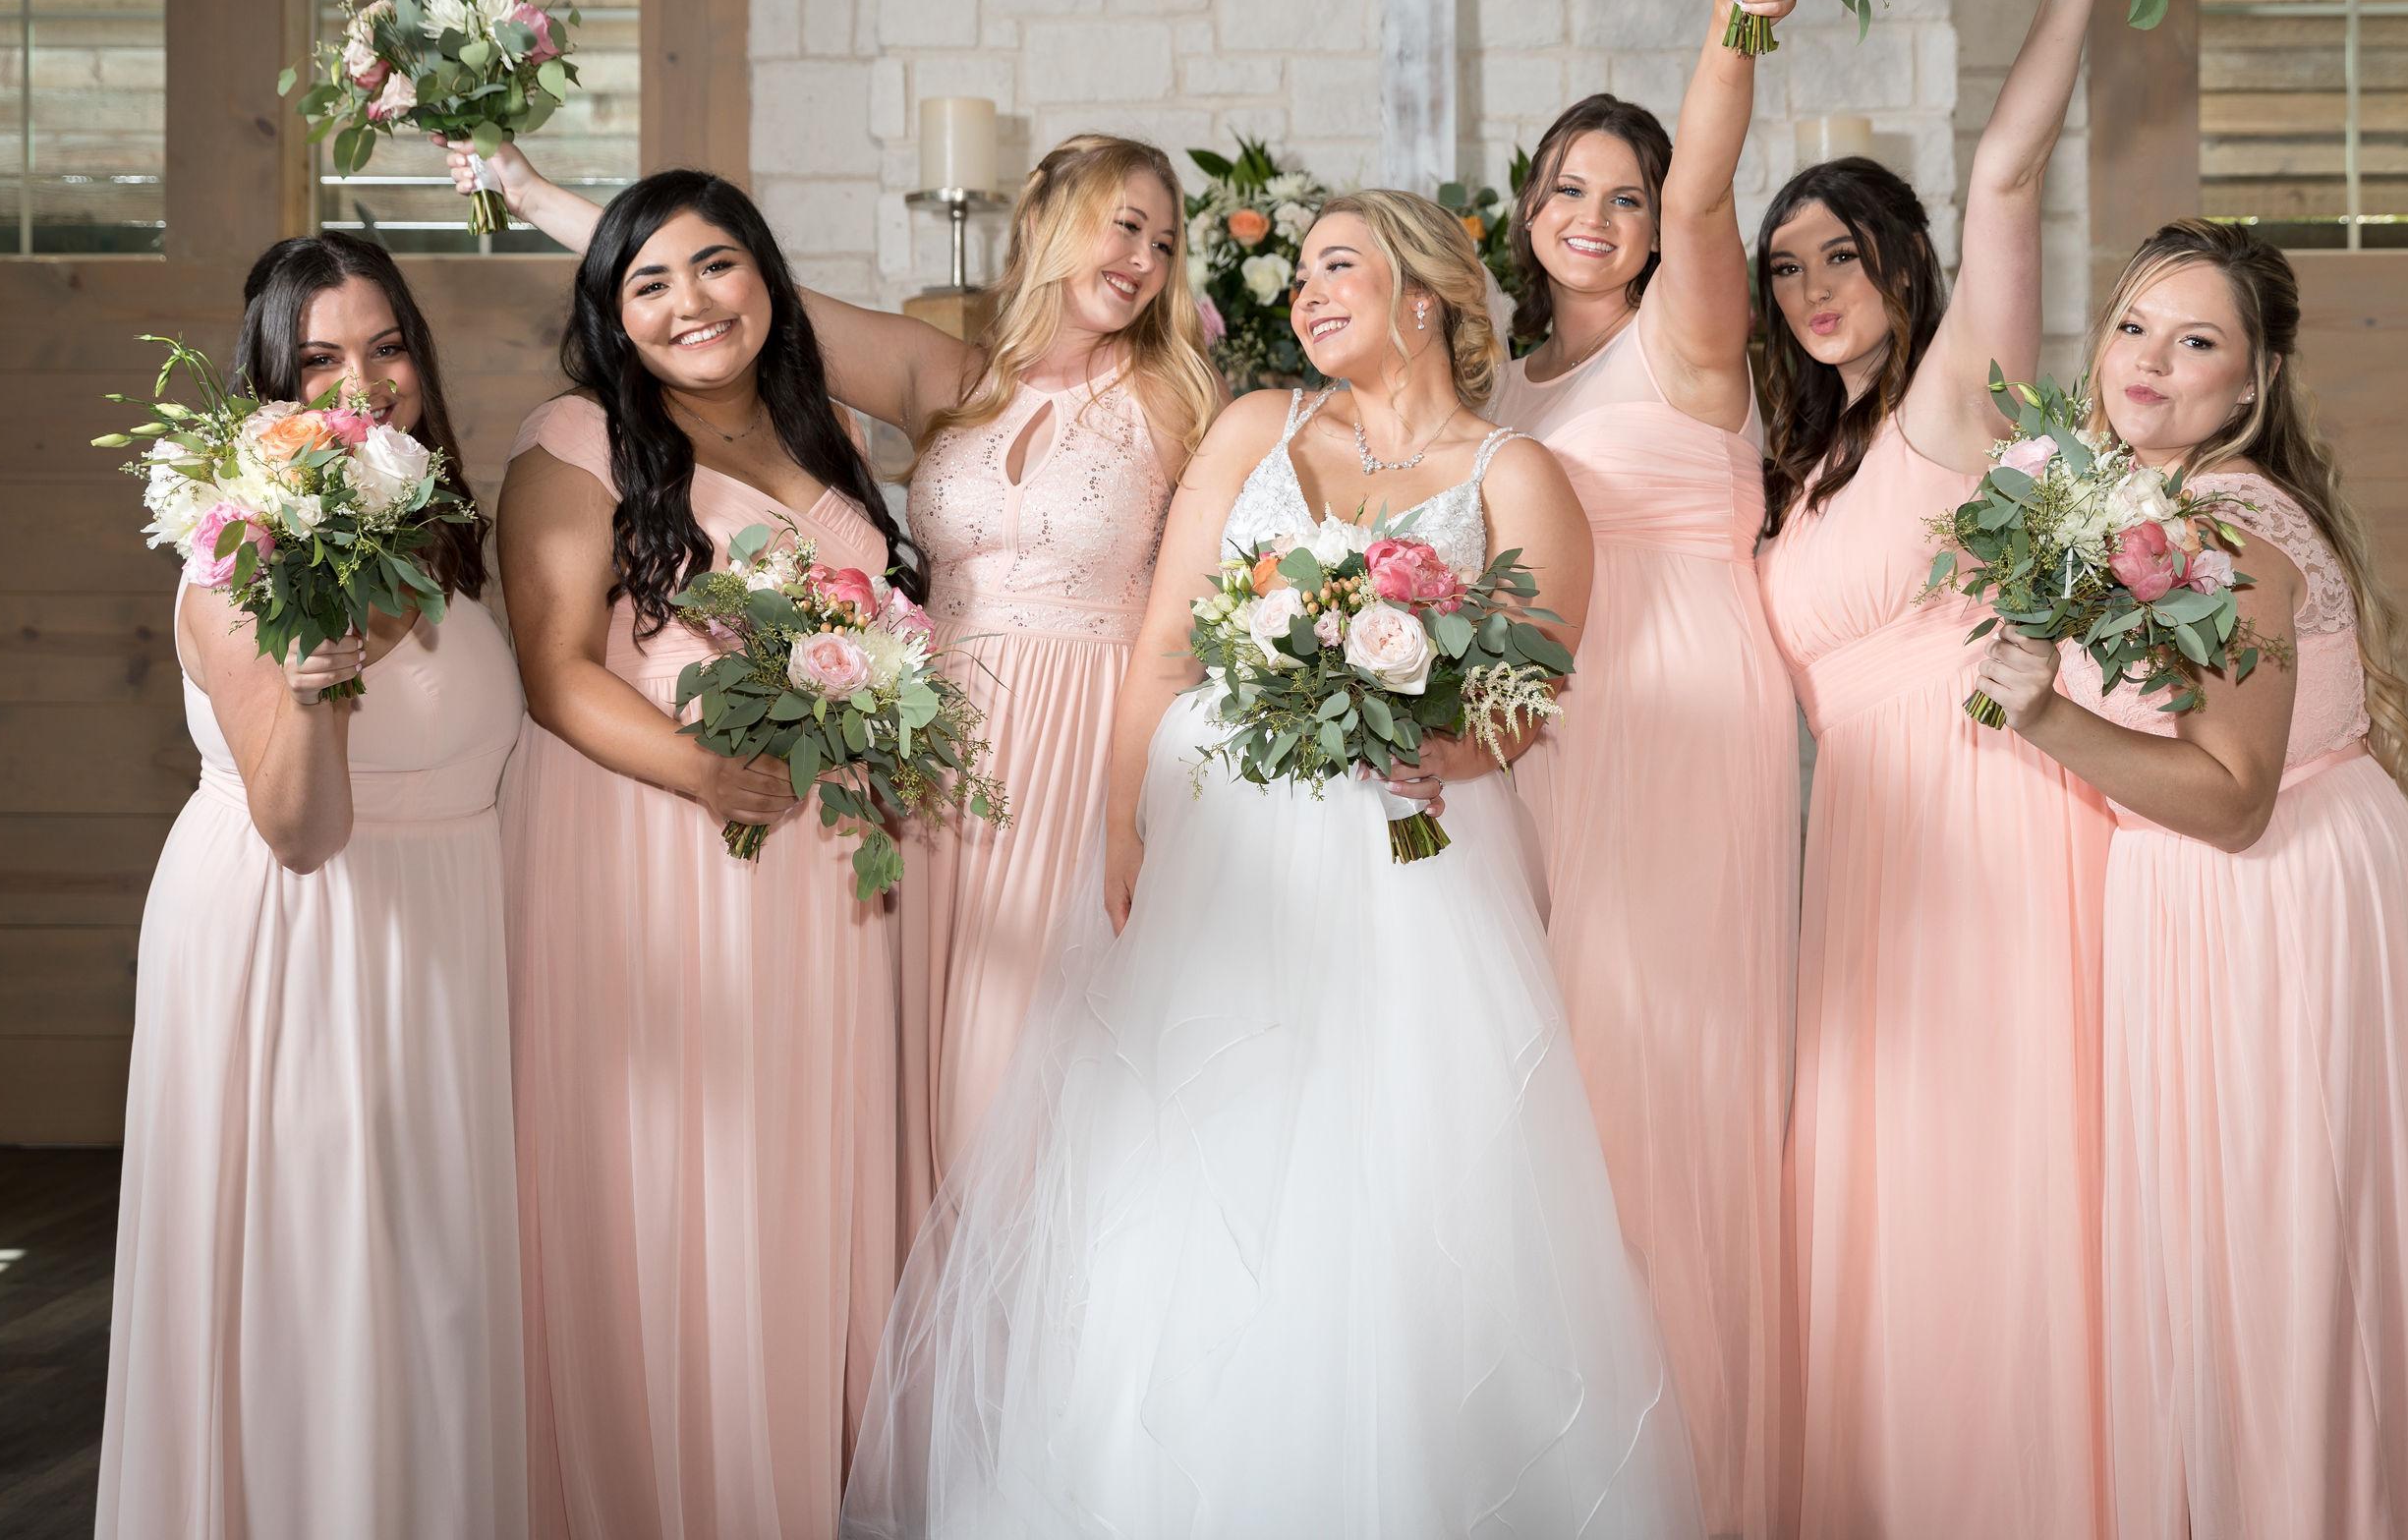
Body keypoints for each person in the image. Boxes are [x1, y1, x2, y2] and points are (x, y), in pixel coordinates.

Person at [841, 192, 1700, 1538]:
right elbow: (1167, 641)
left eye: (1338, 265)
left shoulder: (1516, 475)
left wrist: (1431, 740)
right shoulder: (1255, 428)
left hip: (1404, 869)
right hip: (1219, 857)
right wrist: (1122, 824)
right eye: (1298, 271)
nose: (1306, 290)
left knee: (1393, 1171)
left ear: (1425, 294)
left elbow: (1525, 699)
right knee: (1187, 1149)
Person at [455, 137, 1212, 1197]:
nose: (1143, 257)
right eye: (1124, 225)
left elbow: (1198, 613)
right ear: (1044, 222)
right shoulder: (952, 375)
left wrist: (1137, 806)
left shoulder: (1180, 399)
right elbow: (726, 291)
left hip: (1075, 753)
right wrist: (530, 192)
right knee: (918, 1066)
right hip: (925, 763)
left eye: (1166, 243)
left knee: (1024, 1070)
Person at [1973, 219, 2408, 1540]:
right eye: (2133, 326)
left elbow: (2231, 795)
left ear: (2253, 380)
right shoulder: (2142, 502)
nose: (2149, 362)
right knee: (2231, 1273)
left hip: (2274, 901)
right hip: (2209, 897)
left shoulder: (2228, 525)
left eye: (2195, 340)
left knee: (2279, 1278)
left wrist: (2043, 715)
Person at [1754, 0, 2156, 1538]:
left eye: (1841, 254)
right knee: (1889, 1167)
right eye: (1785, 268)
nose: (1813, 287)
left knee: (1998, 1150)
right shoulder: (1795, 472)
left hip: (1989, 808)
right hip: (1863, 844)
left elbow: (2005, 172)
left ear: (1903, 263)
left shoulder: (1954, 393)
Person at [499, 172, 916, 1538]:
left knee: (801, 1170)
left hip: (819, 872)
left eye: (718, 264)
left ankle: (802, 1479)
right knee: (691, 1167)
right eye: (651, 281)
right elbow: (555, 670)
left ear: (766, 277)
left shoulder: (822, 430)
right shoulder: (576, 442)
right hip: (658, 849)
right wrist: (704, 771)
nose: (693, 302)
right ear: (612, 314)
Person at [97, 232, 523, 1540]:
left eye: (387, 346)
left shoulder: (431, 531)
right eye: (322, 357)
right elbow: (298, 825)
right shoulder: (247, 559)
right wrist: (316, 677)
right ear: (270, 386)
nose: (364, 382)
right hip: (307, 936)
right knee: (323, 1284)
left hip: (434, 939)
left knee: (427, 1290)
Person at [1485, 0, 1800, 1538]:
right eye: (1568, 187)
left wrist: (1735, 16)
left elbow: (1709, 186)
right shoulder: (1502, 381)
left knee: (1661, 1055)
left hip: (1679, 704)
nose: (1596, 215)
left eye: (1626, 193)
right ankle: (1570, 1455)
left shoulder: (1689, 331)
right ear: (1526, 209)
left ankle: (1692, 1462)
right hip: (1541, 725)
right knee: (1559, 1069)